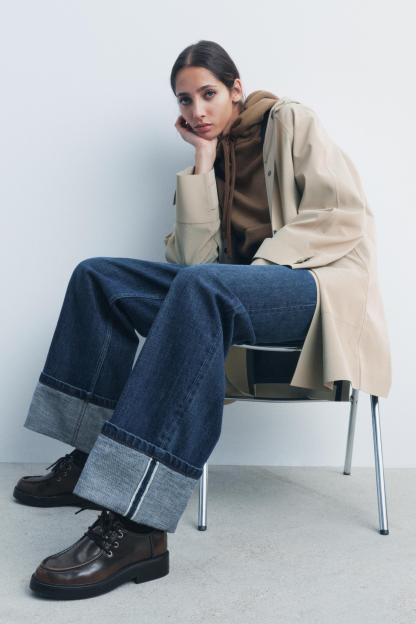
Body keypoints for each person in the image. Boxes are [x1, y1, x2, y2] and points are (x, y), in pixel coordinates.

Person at [13, 39, 389, 601]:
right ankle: (91, 461)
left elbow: (343, 215)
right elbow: (194, 263)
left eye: (208, 94)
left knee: (204, 286)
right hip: (229, 293)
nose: (197, 111)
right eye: (185, 101)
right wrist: (203, 163)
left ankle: (137, 526)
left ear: (236, 89)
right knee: (99, 277)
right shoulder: (209, 156)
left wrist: (258, 270)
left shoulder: (291, 121)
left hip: (316, 290)